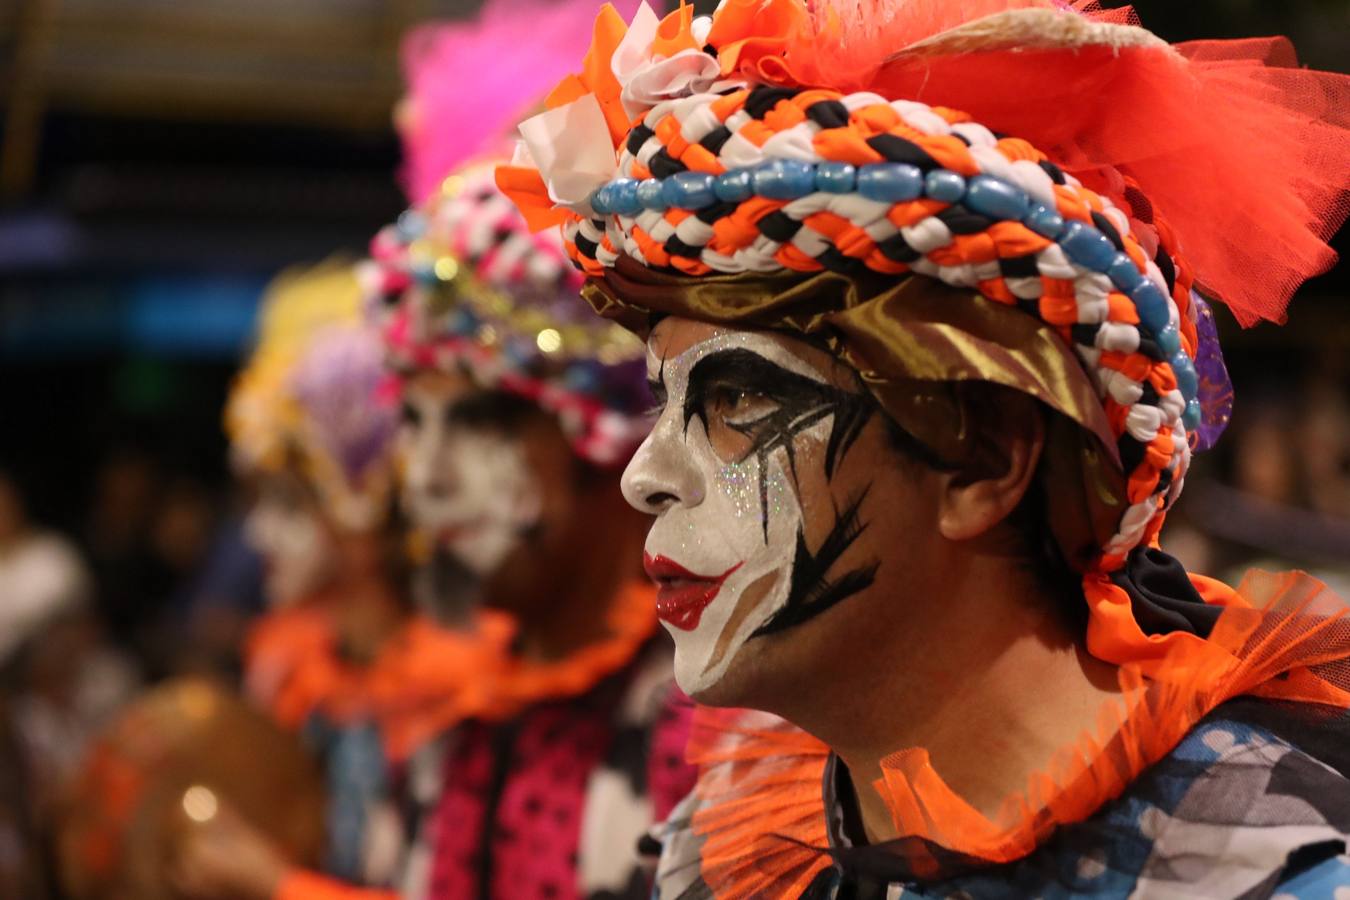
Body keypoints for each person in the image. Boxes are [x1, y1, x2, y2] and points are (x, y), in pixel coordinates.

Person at [499, 0, 1350, 895]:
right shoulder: (721, 856)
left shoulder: (1269, 874)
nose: (644, 478)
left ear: (983, 458)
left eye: (739, 395)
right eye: (662, 403)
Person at [365, 155, 695, 900]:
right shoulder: (446, 712)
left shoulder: (706, 717)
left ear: (604, 435)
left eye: (481, 422)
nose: (424, 479)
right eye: (414, 424)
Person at [174, 260, 504, 900]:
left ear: (367, 506)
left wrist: (275, 884)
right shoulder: (289, 670)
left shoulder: (466, 689)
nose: (260, 536)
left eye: (293, 504)